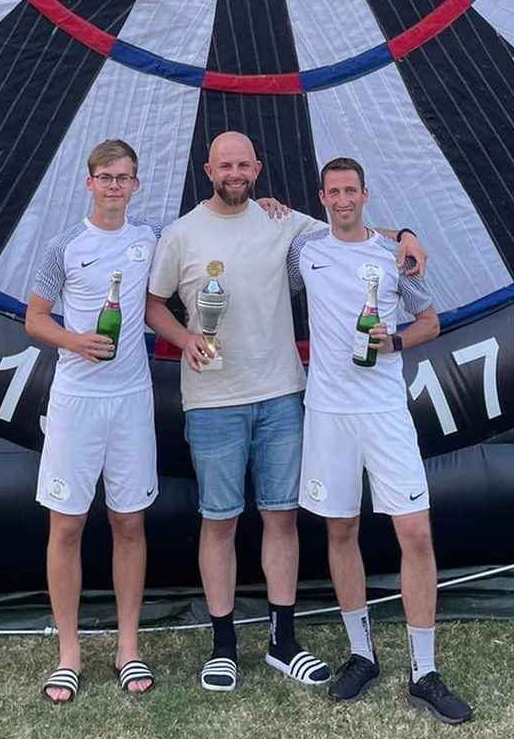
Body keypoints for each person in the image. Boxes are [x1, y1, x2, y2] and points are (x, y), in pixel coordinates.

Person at [144, 131, 427, 693]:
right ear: (208, 170)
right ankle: (223, 646)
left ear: (257, 168)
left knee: (281, 518)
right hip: (212, 399)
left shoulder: (287, 223)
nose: (234, 173)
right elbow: (153, 305)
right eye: (225, 165)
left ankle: (283, 641)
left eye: (243, 165)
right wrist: (184, 338)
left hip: (280, 395)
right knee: (219, 521)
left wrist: (406, 235)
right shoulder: (180, 234)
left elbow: (352, 229)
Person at [287, 155, 473, 725]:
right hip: (328, 411)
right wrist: (270, 205)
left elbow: (431, 322)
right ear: (322, 198)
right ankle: (361, 655)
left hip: (385, 410)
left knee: (414, 533)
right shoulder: (305, 252)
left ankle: (424, 671)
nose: (343, 200)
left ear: (365, 195)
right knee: (340, 531)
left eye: (352, 191)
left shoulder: (393, 257)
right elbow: (272, 233)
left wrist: (392, 341)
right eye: (334, 192)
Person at [26, 137, 207, 705]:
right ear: (89, 182)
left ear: (135, 185)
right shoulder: (64, 246)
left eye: (123, 177)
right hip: (76, 401)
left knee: (129, 524)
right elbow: (35, 318)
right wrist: (74, 340)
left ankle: (129, 648)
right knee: (66, 527)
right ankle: (69, 654)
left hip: (130, 399)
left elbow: (210, 230)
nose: (113, 186)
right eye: (105, 177)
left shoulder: (150, 238)